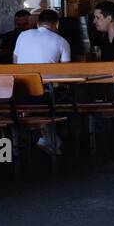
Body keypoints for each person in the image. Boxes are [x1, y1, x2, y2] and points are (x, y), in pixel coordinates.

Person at [14, 9, 71, 155]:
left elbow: (15, 63)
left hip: (19, 95)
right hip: (45, 97)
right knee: (66, 99)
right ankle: (53, 140)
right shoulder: (62, 41)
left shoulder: (22, 35)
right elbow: (65, 75)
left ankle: (48, 139)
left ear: (38, 23)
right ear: (56, 25)